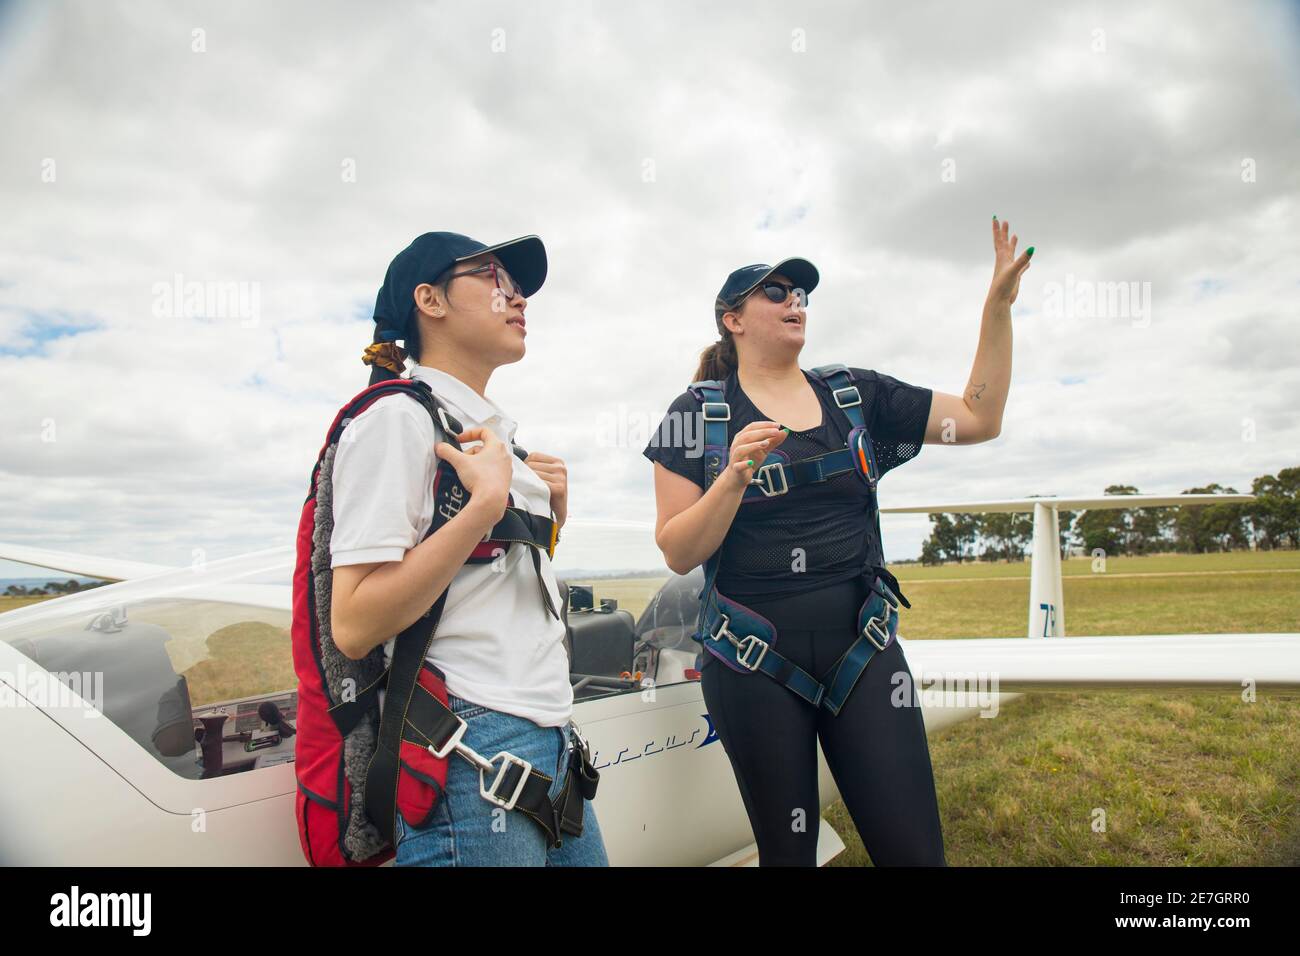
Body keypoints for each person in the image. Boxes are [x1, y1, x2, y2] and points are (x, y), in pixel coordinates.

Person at [643, 217, 1032, 865]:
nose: (795, 300)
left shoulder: (855, 395)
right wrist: (733, 478)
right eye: (777, 291)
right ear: (732, 319)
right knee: (788, 857)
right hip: (752, 667)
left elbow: (978, 418)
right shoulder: (697, 416)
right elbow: (679, 550)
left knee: (915, 855)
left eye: (802, 293)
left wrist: (995, 311)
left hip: (864, 652)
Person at [329, 231, 608, 866]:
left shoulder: (490, 433)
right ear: (429, 300)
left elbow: (481, 592)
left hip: (551, 739)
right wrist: (483, 508)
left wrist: (548, 520)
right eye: (492, 277)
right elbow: (354, 622)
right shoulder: (395, 420)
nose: (516, 298)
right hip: (470, 753)